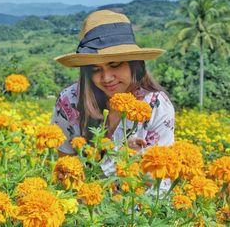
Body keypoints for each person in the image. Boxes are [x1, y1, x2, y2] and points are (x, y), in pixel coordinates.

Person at [51, 9, 175, 159]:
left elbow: (160, 177)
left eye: (115, 64)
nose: (107, 78)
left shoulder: (157, 105)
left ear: (134, 64)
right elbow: (64, 169)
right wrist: (119, 157)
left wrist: (134, 161)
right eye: (95, 69)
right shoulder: (69, 101)